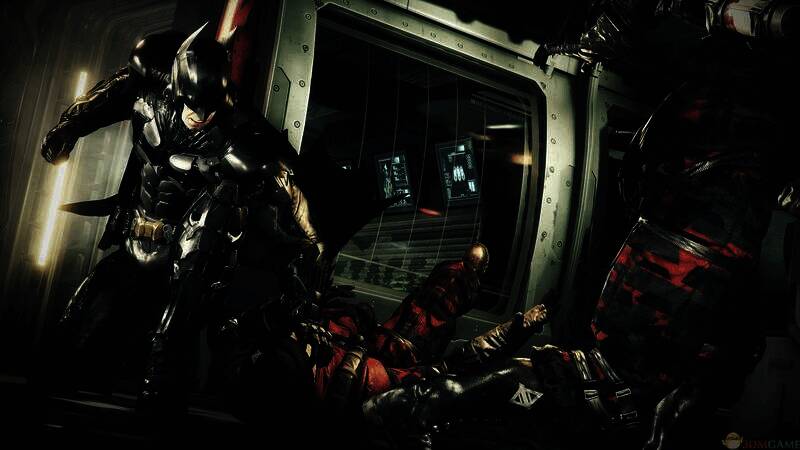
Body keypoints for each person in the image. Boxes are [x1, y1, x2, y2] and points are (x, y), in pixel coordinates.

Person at [40, 24, 323, 409]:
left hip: (188, 258)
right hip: (136, 236)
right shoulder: (147, 98)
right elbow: (102, 99)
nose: (200, 115)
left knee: (169, 342)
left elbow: (285, 183)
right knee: (86, 315)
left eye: (209, 107)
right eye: (193, 104)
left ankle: (154, 400)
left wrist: (311, 240)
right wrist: (65, 131)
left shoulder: (238, 130)